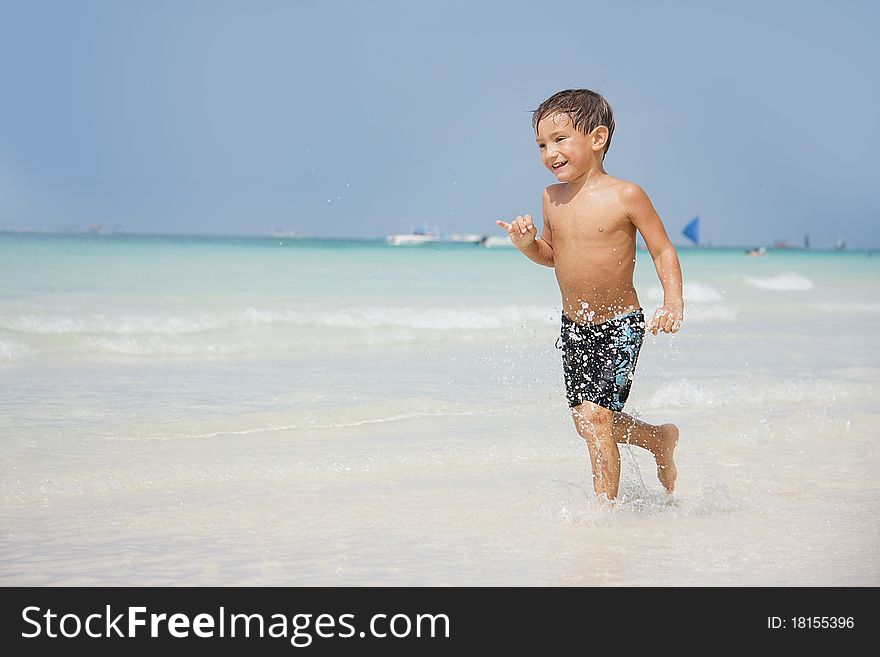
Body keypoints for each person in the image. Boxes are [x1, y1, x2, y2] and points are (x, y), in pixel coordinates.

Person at [496, 89, 684, 503]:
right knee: (589, 421)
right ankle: (657, 439)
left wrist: (672, 301)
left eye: (560, 139)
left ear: (597, 139)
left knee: (595, 418)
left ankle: (604, 517)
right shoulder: (551, 198)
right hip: (575, 326)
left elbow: (662, 249)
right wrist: (527, 245)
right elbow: (552, 255)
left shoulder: (626, 195)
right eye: (542, 145)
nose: (550, 152)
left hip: (619, 325)